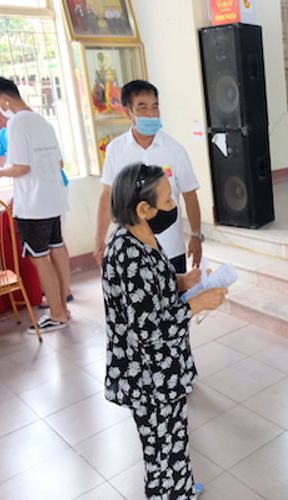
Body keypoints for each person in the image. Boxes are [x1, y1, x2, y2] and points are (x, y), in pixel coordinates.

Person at [102, 163, 226, 500]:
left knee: (174, 435)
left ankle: (181, 487)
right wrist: (197, 303)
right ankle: (166, 493)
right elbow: (148, 329)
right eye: (169, 200)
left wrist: (181, 282)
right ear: (144, 209)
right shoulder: (127, 254)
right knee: (160, 447)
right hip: (148, 376)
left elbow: (150, 290)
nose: (174, 206)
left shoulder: (139, 236)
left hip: (163, 369)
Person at [0, 98, 74, 309]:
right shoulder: (6, 133)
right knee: (54, 245)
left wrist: (20, 195)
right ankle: (60, 298)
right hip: (44, 192)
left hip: (46, 191)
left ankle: (61, 298)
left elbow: (22, 168)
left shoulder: (18, 126)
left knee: (51, 247)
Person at [0, 76, 70, 333]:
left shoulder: (17, 123)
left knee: (39, 258)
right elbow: (59, 164)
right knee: (58, 251)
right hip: (54, 198)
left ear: (3, 99)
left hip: (33, 205)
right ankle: (64, 308)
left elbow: (21, 167)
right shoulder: (41, 119)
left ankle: (56, 313)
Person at [94, 80, 203, 274]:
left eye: (155, 107)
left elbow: (189, 194)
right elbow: (107, 196)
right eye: (142, 108)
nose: (151, 114)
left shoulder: (174, 150)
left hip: (170, 248)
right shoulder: (116, 150)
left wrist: (195, 235)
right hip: (131, 253)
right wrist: (99, 239)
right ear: (128, 112)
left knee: (175, 300)